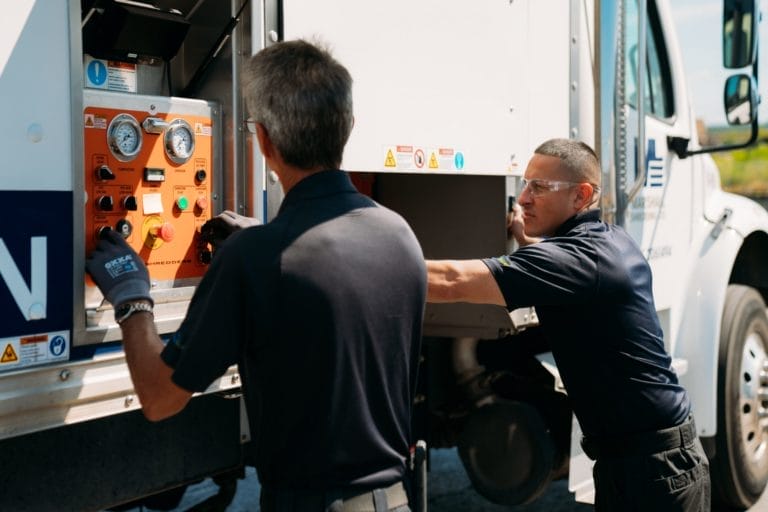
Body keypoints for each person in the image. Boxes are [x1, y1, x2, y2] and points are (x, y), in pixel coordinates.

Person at [86, 40, 426, 512]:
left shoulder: (256, 258)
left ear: (263, 140)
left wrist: (131, 295)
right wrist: (267, 242)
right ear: (347, 127)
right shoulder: (399, 234)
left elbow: (160, 398)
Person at [426, 138, 710, 511]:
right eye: (526, 184)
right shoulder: (610, 240)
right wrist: (528, 241)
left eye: (539, 188)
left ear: (582, 195)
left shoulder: (578, 260)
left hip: (654, 472)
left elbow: (452, 281)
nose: (524, 198)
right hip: (648, 461)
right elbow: (562, 268)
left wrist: (368, 259)